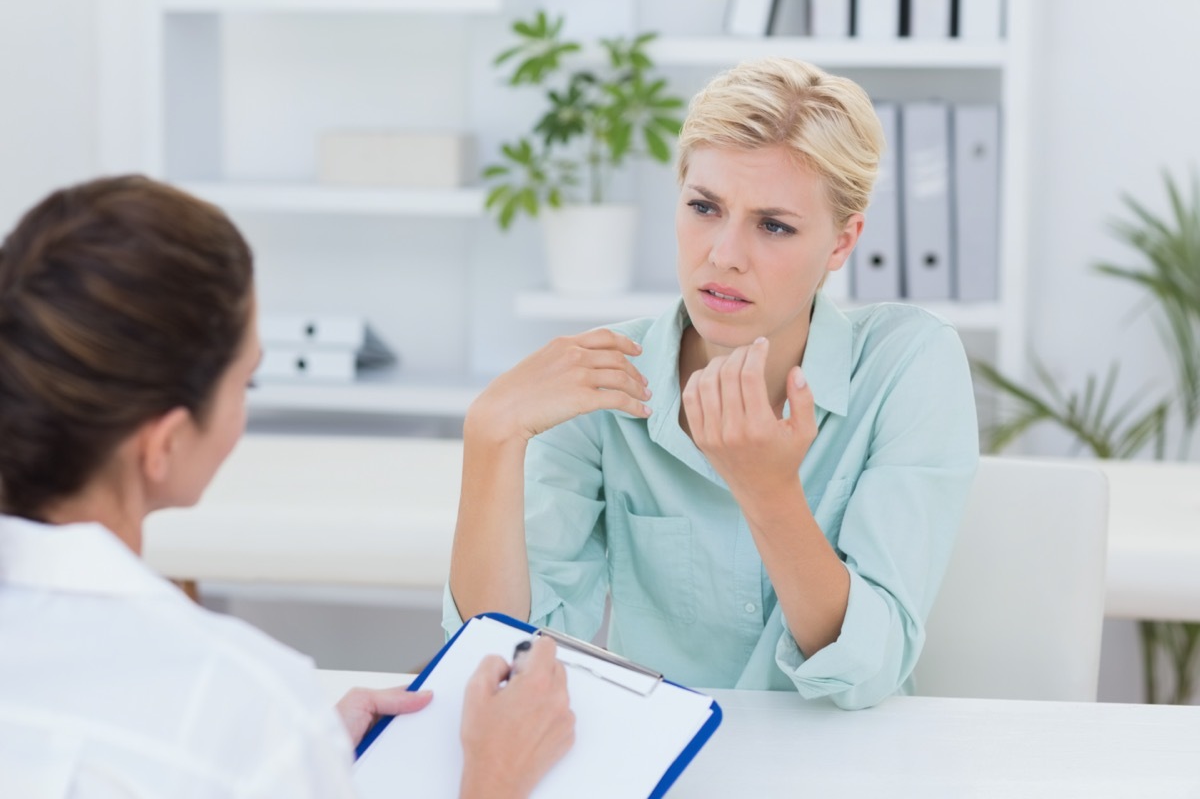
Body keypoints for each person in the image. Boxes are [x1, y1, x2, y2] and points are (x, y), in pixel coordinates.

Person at [0, 175, 574, 797]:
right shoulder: (241, 702)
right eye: (245, 382)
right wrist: (495, 777)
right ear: (164, 445)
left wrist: (285, 762)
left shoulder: (250, 719)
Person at [445, 57, 979, 710]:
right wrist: (490, 437)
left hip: (844, 763)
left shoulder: (906, 364)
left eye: (774, 225)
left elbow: (868, 672)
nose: (724, 253)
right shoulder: (603, 377)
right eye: (704, 207)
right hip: (664, 754)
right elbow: (505, 656)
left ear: (842, 243)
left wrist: (767, 489)